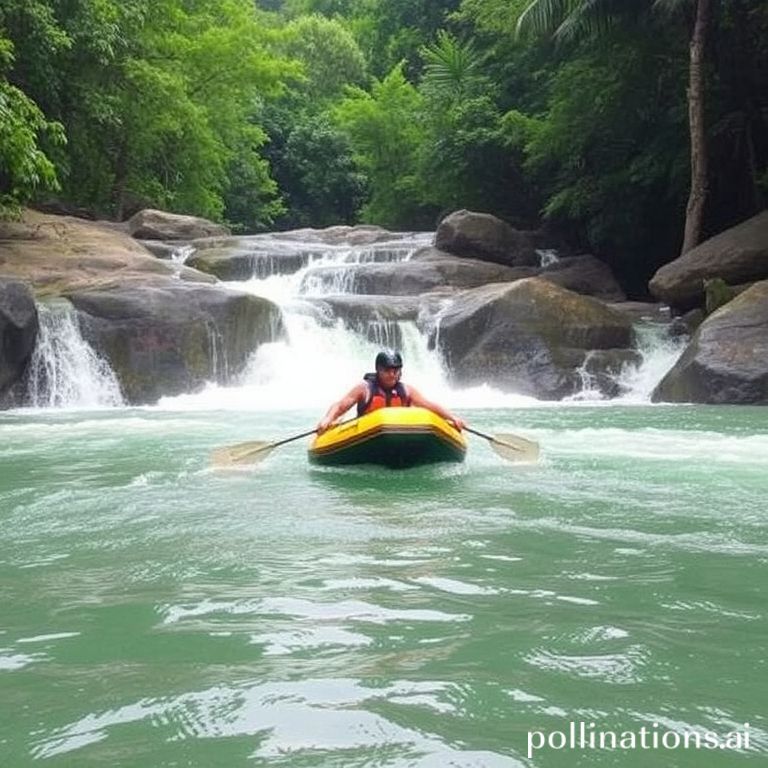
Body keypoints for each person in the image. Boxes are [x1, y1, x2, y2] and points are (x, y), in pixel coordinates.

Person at [316, 349, 466, 434]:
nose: (392, 374)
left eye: (395, 370)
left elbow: (429, 405)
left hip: (399, 433)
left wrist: (452, 418)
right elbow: (341, 405)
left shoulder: (406, 390)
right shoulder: (364, 388)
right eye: (387, 370)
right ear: (378, 370)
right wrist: (327, 419)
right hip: (368, 434)